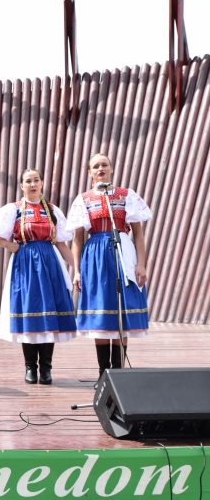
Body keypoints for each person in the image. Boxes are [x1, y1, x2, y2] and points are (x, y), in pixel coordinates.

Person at [0, 169, 77, 385]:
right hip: (25, 264)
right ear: (21, 185)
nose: (32, 184)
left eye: (36, 180)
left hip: (50, 263)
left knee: (49, 314)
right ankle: (30, 368)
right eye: (28, 181)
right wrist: (10, 245)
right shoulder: (13, 210)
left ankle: (46, 369)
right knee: (29, 311)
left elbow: (62, 244)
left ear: (42, 183)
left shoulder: (52, 210)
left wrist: (78, 269)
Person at [67, 153, 152, 387]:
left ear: (112, 168)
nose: (100, 168)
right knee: (102, 310)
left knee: (121, 310)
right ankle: (104, 373)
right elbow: (77, 238)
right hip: (95, 256)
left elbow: (138, 233)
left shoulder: (126, 196)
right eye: (95, 166)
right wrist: (77, 270)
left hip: (123, 252)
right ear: (89, 173)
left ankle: (119, 373)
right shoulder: (83, 199)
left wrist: (142, 264)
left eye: (104, 164)